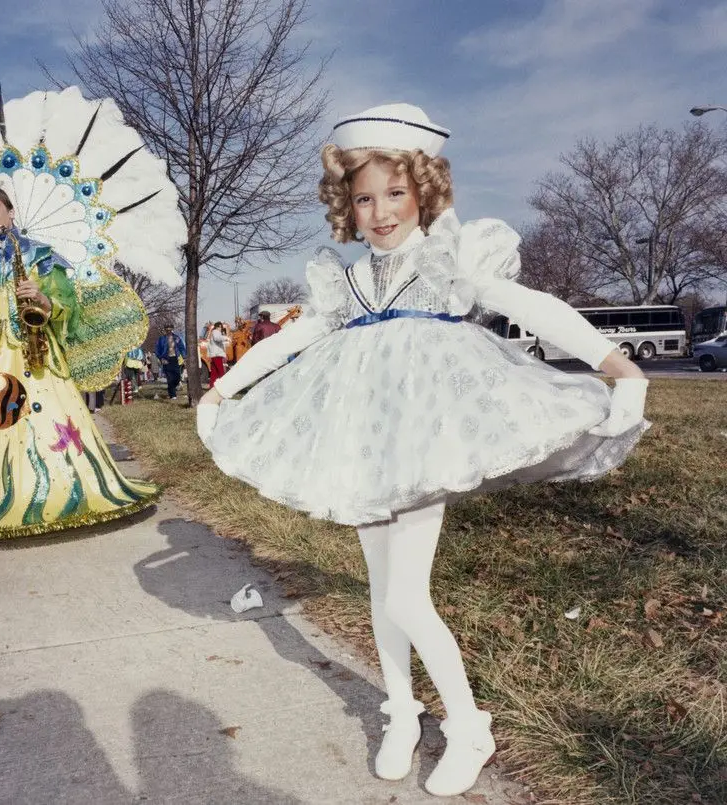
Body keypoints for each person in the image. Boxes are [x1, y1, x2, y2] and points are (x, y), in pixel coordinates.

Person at [196, 103, 649, 797]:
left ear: (425, 191)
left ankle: (469, 724)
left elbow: (527, 304)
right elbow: (293, 339)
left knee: (408, 594)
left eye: (396, 194)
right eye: (364, 198)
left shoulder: (447, 263)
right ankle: (401, 713)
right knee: (383, 594)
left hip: (425, 440)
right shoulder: (343, 283)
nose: (380, 212)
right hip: (365, 440)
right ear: (346, 205)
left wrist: (615, 362)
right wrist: (224, 389)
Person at [0, 184, 159, 539]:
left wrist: (41, 298)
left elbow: (71, 309)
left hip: (39, 355)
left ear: (9, 210)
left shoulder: (40, 255)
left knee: (51, 420)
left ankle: (62, 490)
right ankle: (3, 494)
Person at [155, 324, 186, 400]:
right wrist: (161, 358)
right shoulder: (161, 339)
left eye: (170, 330)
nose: (168, 331)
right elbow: (157, 350)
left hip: (175, 359)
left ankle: (171, 389)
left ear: (172, 329)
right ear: (165, 330)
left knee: (177, 377)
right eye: (167, 330)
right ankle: (173, 395)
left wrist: (184, 357)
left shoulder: (176, 338)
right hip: (166, 359)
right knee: (169, 378)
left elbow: (181, 347)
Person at [205, 322, 228, 387]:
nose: (221, 329)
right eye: (221, 327)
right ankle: (224, 387)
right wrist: (226, 338)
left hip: (214, 355)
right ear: (219, 326)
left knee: (214, 374)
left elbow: (209, 346)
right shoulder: (216, 332)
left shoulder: (213, 333)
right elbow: (217, 338)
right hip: (217, 355)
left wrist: (209, 355)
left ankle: (212, 386)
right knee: (221, 372)